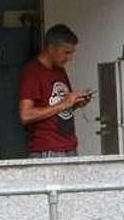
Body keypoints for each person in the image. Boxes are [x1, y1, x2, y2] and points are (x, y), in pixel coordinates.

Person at [18, 24, 88, 158]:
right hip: (48, 148)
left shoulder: (59, 70)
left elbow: (59, 108)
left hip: (69, 145)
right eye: (66, 52)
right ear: (51, 48)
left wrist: (75, 103)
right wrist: (63, 104)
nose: (69, 58)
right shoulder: (32, 71)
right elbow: (25, 115)